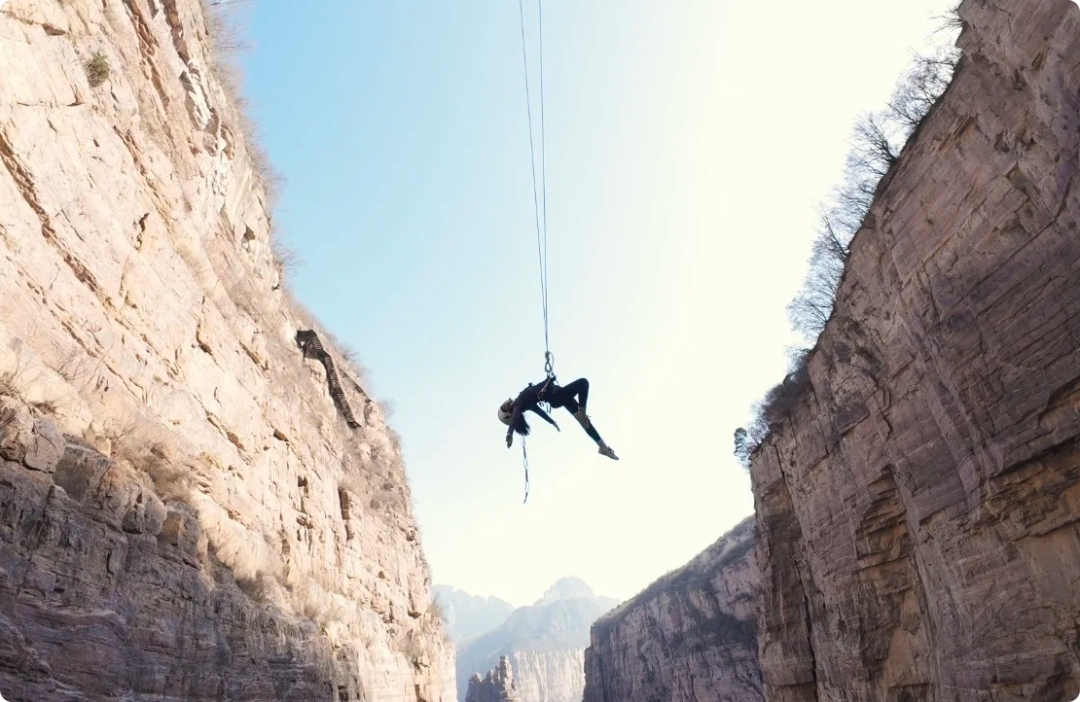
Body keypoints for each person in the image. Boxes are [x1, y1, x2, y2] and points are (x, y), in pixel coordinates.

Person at [498, 376, 619, 460]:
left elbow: (541, 413)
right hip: (557, 396)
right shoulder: (517, 405)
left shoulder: (525, 404)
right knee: (583, 383)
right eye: (504, 407)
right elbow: (514, 418)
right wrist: (509, 434)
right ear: (507, 414)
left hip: (559, 394)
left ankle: (603, 448)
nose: (507, 403)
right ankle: (582, 412)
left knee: (585, 423)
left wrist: (552, 422)